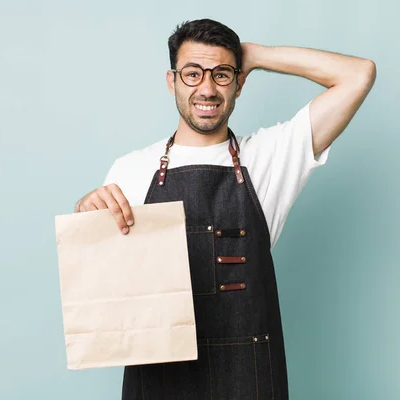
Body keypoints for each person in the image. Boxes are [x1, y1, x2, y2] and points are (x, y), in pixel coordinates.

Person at [75, 18, 376, 400]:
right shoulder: (130, 169)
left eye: (221, 75)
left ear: (239, 83)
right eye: (192, 73)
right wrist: (85, 214)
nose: (207, 88)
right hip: (159, 379)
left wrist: (257, 55)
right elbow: (102, 287)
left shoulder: (270, 156)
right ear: (172, 82)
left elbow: (358, 74)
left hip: (248, 377)